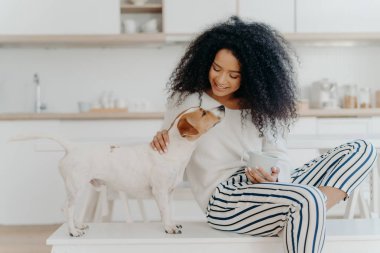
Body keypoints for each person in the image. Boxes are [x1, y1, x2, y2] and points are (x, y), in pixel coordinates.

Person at [150, 16, 377, 253]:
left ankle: (296, 213)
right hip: (225, 199)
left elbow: (278, 156)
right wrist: (160, 141)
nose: (220, 79)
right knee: (307, 199)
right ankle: (300, 212)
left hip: (270, 188)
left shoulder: (262, 106)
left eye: (233, 75)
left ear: (250, 76)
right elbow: (168, 151)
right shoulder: (189, 101)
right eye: (216, 68)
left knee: (363, 150)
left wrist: (275, 176)